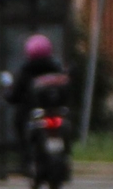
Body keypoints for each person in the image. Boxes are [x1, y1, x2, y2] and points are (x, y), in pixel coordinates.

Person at [6, 34, 71, 171]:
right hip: (55, 111)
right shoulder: (56, 67)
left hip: (33, 112)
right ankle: (64, 158)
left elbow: (15, 94)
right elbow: (67, 89)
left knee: (19, 124)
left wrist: (10, 96)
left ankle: (27, 160)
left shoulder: (26, 70)